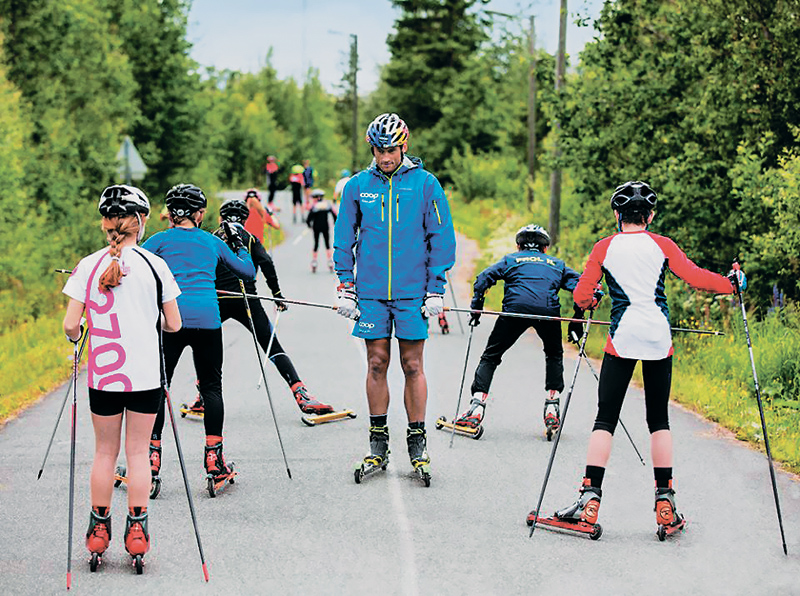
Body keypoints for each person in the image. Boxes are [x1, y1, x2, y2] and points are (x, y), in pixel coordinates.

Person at [549, 180, 745, 536]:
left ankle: (589, 497)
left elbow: (580, 296)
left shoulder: (604, 247)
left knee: (605, 418)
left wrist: (590, 300)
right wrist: (732, 284)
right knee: (659, 420)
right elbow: (697, 277)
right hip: (658, 338)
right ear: (650, 215)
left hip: (622, 338)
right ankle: (665, 500)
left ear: (617, 215)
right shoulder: (663, 245)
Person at [62, 184, 182, 569]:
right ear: (140, 221)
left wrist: (81, 332)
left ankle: (98, 529)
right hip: (145, 375)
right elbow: (174, 325)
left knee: (104, 453)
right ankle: (137, 531)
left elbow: (69, 325)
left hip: (104, 377)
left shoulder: (88, 265)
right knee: (137, 453)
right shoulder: (154, 265)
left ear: (106, 222)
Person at [334, 112, 456, 479]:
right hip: (371, 292)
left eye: (392, 150)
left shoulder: (425, 184)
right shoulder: (358, 186)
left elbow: (441, 237)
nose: (386, 157)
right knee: (376, 362)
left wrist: (437, 287)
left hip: (412, 292)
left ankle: (417, 443)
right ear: (372, 148)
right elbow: (344, 237)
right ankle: (377, 445)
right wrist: (345, 285)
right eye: (379, 150)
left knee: (412, 365)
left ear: (405, 146)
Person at [142, 184, 255, 492]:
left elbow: (133, 269)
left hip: (171, 321)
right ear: (200, 213)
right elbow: (246, 272)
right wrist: (239, 244)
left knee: (158, 387)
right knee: (211, 387)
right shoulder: (209, 241)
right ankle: (214, 462)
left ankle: (150, 460)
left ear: (169, 213)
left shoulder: (159, 241)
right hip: (207, 318)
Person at [200, 197, 335, 415]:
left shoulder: (210, 239)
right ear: (245, 219)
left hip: (219, 300)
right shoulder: (250, 238)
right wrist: (278, 296)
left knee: (207, 351)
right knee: (273, 347)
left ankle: (202, 397)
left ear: (220, 218)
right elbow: (267, 263)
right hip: (248, 301)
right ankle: (301, 394)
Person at [456, 224, 583, 438]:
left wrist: (476, 308)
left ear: (518, 246)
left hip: (515, 311)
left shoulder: (511, 260)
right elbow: (582, 288)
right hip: (548, 313)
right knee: (554, 354)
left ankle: (476, 408)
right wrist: (576, 321)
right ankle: (552, 406)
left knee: (491, 356)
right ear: (545, 249)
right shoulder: (557, 264)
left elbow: (482, 280)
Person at [306, 188, 337, 273]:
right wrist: (335, 222)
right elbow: (334, 214)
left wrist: (309, 225)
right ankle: (330, 262)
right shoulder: (327, 204)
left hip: (316, 227)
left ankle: (314, 261)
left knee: (316, 244)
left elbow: (309, 218)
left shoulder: (314, 206)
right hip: (325, 227)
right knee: (327, 244)